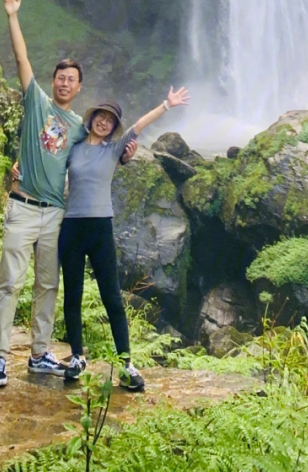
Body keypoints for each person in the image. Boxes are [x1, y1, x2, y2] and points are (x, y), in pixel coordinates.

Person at [0, 0, 135, 389]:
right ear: (52, 81)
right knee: (10, 282)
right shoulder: (36, 100)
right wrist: (13, 17)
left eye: (72, 80)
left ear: (79, 87)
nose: (65, 83)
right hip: (22, 206)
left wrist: (126, 156)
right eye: (60, 77)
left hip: (56, 213)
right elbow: (21, 61)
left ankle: (39, 353)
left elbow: (102, 151)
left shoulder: (78, 128)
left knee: (48, 285)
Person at [59, 86, 190, 393]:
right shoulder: (74, 148)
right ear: (91, 119)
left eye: (109, 120)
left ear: (113, 127)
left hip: (100, 228)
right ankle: (77, 357)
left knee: (113, 299)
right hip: (72, 228)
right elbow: (50, 162)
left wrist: (166, 105)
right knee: (72, 296)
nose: (103, 122)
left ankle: (126, 364)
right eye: (100, 117)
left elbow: (140, 125)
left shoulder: (114, 150)